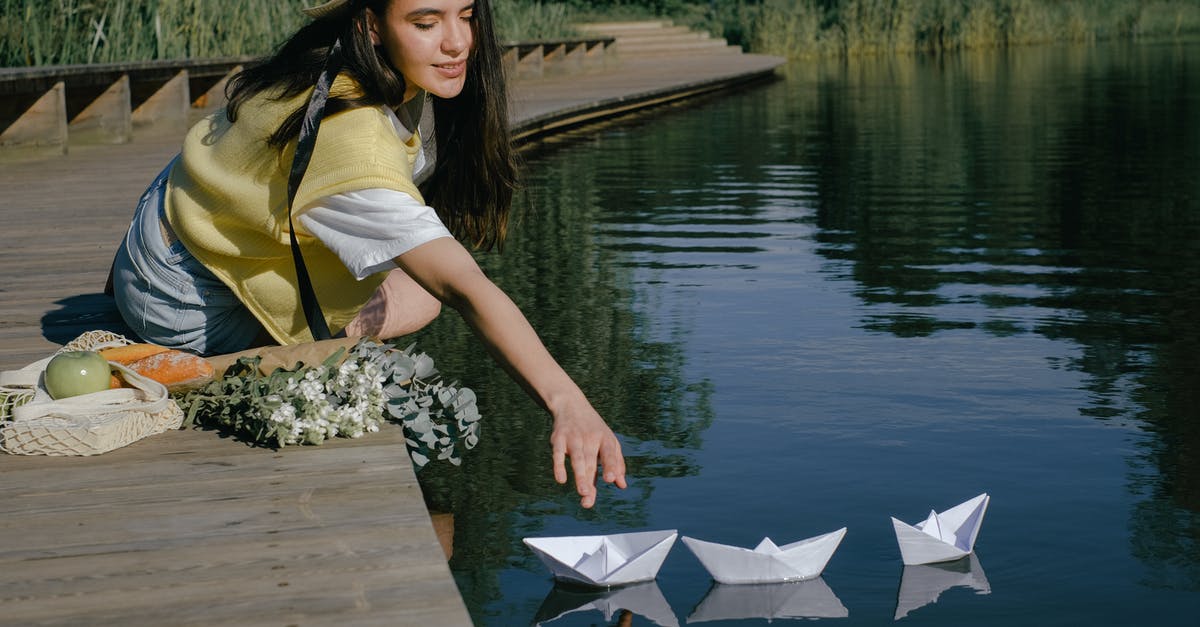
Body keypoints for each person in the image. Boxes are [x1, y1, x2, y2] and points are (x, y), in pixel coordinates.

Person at [108, 0, 626, 509]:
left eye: (465, 15)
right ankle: (251, 351)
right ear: (371, 25)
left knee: (417, 289)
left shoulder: (338, 64)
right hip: (181, 303)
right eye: (426, 22)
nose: (458, 42)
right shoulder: (350, 137)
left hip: (172, 223)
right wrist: (567, 402)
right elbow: (466, 286)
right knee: (427, 295)